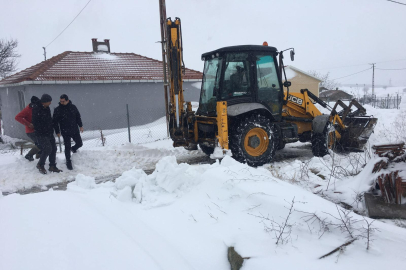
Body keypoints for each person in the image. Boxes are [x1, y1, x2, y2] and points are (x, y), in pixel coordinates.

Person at [32, 94, 62, 174]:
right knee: (47, 149)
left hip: (49, 132)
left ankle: (52, 166)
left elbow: (49, 120)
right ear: (44, 102)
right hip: (41, 134)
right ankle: (40, 165)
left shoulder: (47, 108)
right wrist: (44, 129)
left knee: (54, 149)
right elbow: (36, 123)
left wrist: (55, 130)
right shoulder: (37, 109)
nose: (50, 103)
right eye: (49, 101)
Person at [53, 94, 83, 170]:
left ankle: (73, 149)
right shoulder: (57, 110)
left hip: (74, 129)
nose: (61, 103)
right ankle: (68, 161)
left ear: (67, 101)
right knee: (67, 146)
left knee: (79, 143)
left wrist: (80, 126)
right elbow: (55, 122)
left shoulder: (73, 107)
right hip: (65, 131)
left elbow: (78, 117)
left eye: (63, 101)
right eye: (60, 101)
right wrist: (57, 131)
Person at [15, 96, 42, 161]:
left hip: (37, 130)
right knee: (40, 143)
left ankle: (38, 157)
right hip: (31, 131)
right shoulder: (27, 109)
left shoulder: (37, 108)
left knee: (39, 143)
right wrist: (28, 124)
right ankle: (29, 155)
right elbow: (17, 117)